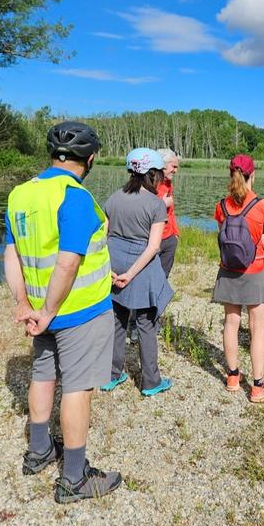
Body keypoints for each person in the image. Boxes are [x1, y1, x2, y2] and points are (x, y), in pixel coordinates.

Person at [4, 121, 121, 504]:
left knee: (42, 373)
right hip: (77, 311)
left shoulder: (20, 195)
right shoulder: (75, 196)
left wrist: (25, 305)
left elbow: (12, 254)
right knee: (77, 388)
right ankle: (73, 478)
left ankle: (39, 451)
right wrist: (51, 310)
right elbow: (69, 261)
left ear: (52, 154)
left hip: (40, 310)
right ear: (90, 159)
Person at [102, 148, 173, 396]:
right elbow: (153, 246)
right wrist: (131, 274)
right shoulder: (155, 204)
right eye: (160, 174)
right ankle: (151, 381)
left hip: (115, 264)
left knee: (117, 320)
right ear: (151, 174)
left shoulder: (113, 198)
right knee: (146, 322)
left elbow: (103, 235)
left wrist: (111, 270)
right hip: (139, 269)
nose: (161, 179)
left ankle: (111, 373)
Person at [213, 154, 264, 403]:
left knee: (231, 323)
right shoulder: (262, 205)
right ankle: (258, 385)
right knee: (257, 327)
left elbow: (222, 235)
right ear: (253, 174)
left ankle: (232, 376)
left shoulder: (221, 205)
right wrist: (260, 241)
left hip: (228, 270)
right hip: (254, 270)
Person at [156, 148, 180, 278]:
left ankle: (160, 297)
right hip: (154, 238)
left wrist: (175, 233)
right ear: (162, 164)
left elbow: (171, 212)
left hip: (169, 237)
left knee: (164, 275)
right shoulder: (149, 183)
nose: (176, 170)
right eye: (173, 166)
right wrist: (162, 204)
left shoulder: (168, 183)